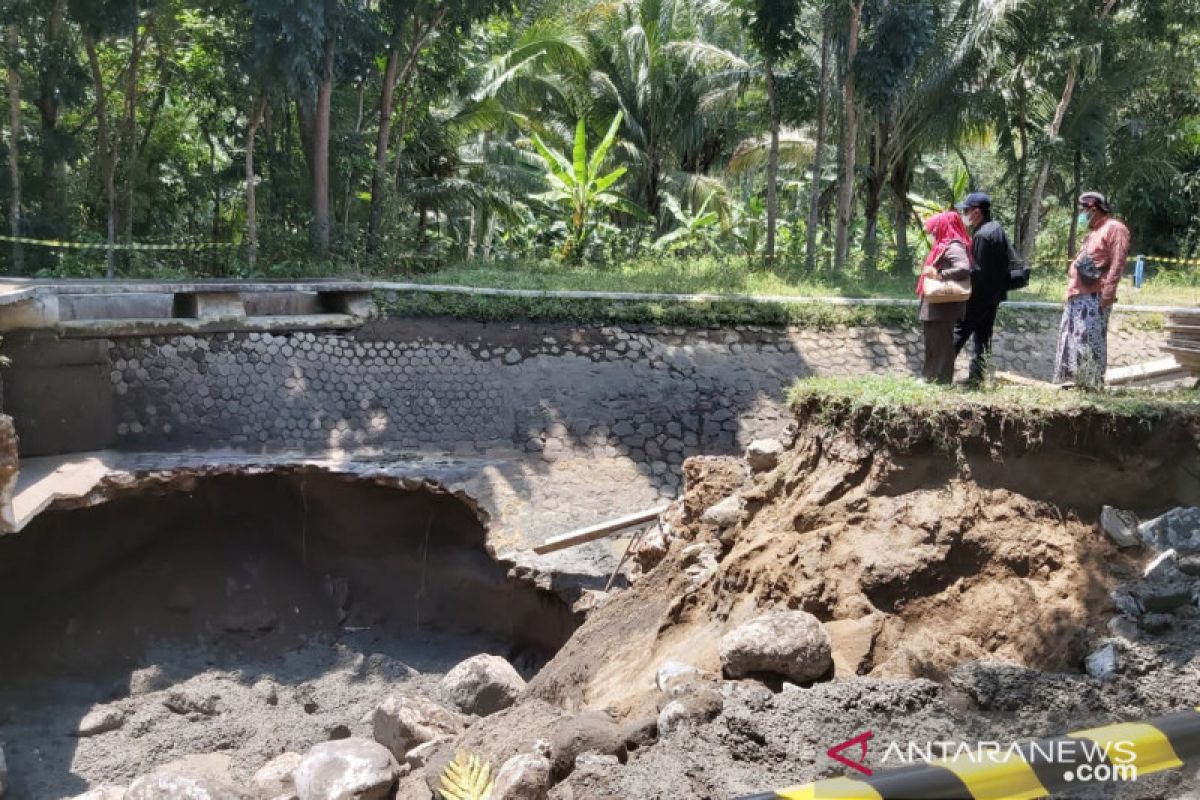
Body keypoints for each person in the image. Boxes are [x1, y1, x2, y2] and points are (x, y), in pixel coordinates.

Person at [1052, 191, 1130, 388]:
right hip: (1077, 296)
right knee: (1071, 339)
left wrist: (1108, 292)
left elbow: (1118, 262)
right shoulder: (1093, 232)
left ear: (1094, 209)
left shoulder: (1115, 228)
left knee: (1089, 339)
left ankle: (1090, 383)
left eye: (1084, 210)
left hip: (1095, 296)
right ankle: (1072, 381)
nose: (1082, 215)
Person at [953, 192, 1012, 385]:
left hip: (979, 296)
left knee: (959, 332)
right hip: (993, 295)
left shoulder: (982, 235)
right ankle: (976, 378)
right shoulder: (996, 229)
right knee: (983, 337)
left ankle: (938, 372)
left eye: (966, 210)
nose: (964, 214)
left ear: (977, 212)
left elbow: (977, 269)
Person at [917, 210, 973, 384]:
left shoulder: (953, 245)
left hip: (943, 305)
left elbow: (964, 267)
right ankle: (930, 377)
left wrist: (940, 274)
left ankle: (940, 380)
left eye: (936, 229)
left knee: (941, 344)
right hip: (938, 305)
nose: (933, 233)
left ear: (944, 227)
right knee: (934, 342)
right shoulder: (945, 246)